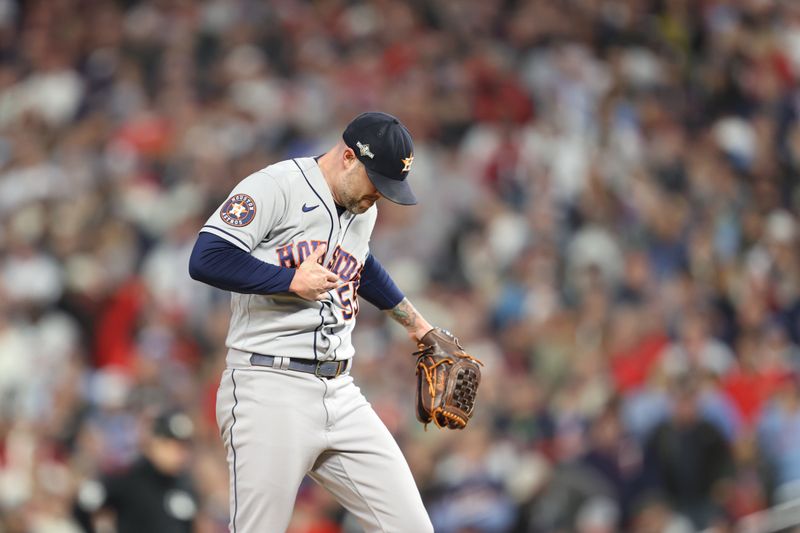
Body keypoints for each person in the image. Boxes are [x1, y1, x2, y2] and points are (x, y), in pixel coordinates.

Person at [188, 111, 437, 532]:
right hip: (268, 387)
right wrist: (288, 279)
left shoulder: (362, 209)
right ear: (347, 157)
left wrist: (415, 323)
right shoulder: (275, 187)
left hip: (340, 392)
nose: (378, 195)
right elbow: (206, 258)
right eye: (376, 180)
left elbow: (360, 264)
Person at [74, 409, 198, 533]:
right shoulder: (128, 477)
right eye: (174, 446)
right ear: (155, 443)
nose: (181, 454)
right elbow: (84, 504)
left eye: (185, 447)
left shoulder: (184, 485)